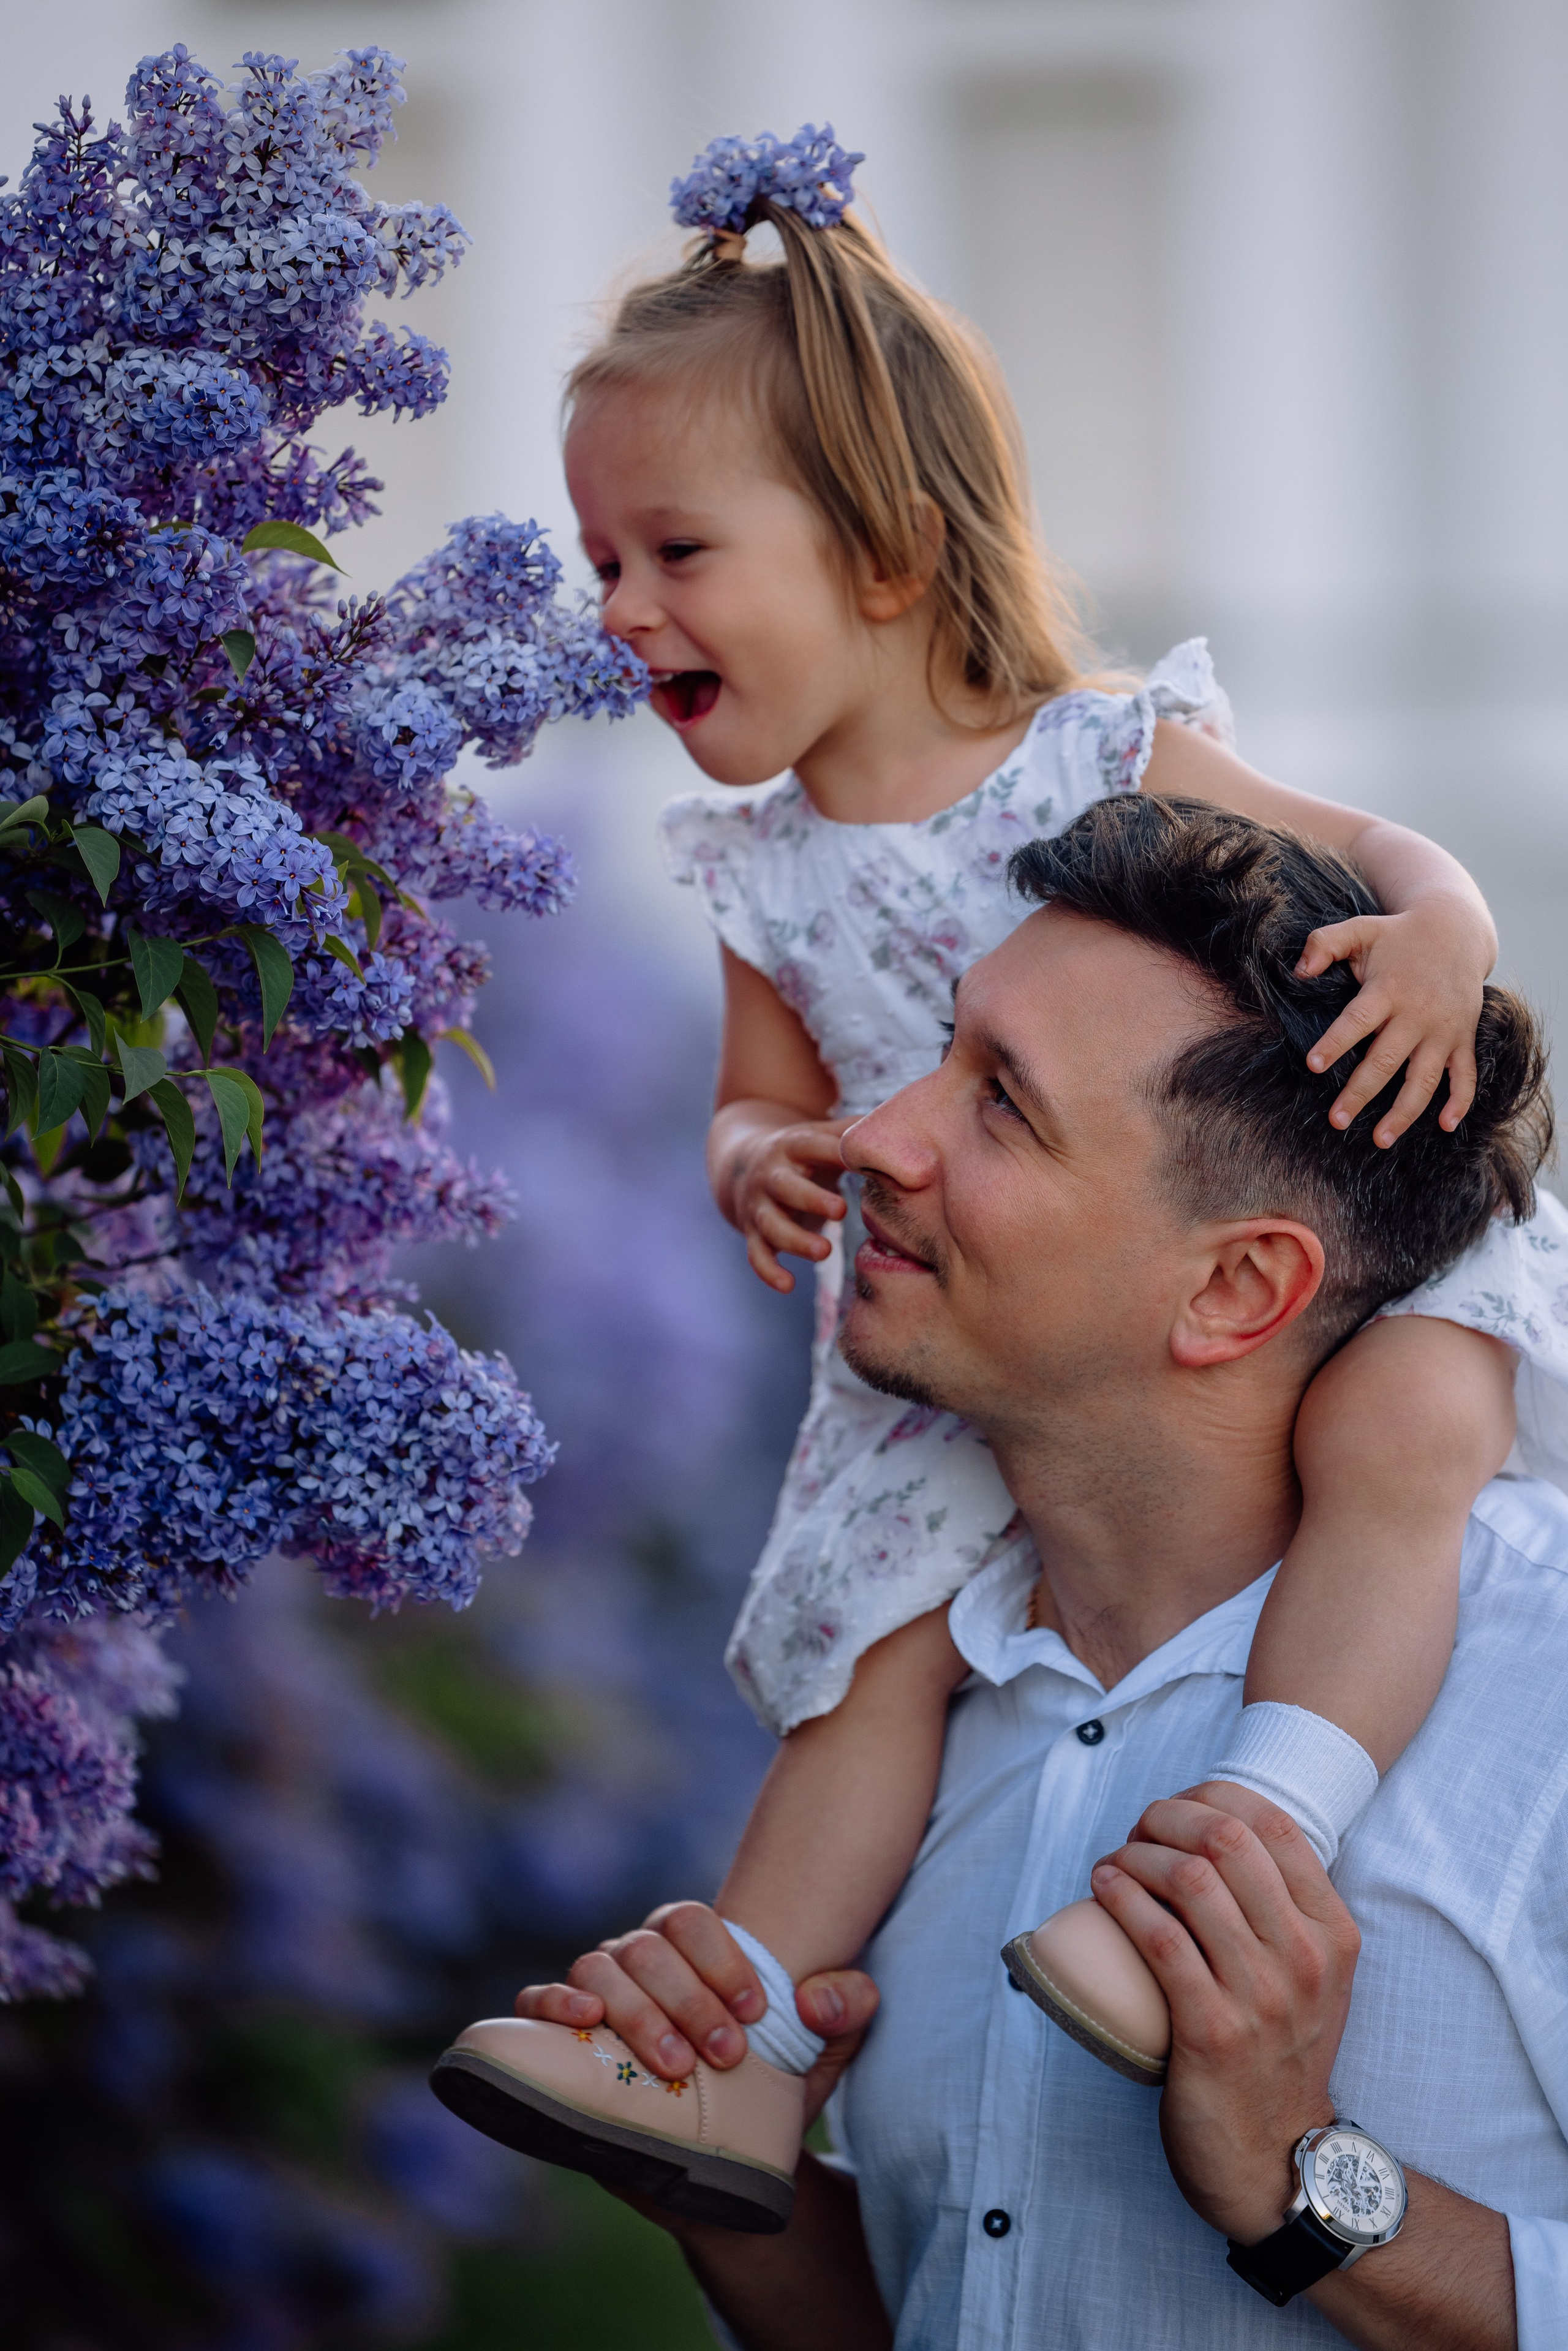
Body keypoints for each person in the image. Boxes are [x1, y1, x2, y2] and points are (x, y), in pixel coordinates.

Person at [431, 124, 1568, 2201]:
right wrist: (765, 1152)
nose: (619, 608)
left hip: (1337, 1224)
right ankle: (751, 2032)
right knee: (880, 1636)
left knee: (1407, 1433)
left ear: (882, 555)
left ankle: (1246, 1850)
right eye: (600, 563)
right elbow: (759, 1092)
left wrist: (1448, 931)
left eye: (674, 554)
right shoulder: (759, 863)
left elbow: (1382, 854)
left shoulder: (1095, 751)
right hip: (989, 1286)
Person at [499, 794, 1568, 2346]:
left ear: (1234, 1287)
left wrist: (1299, 2183)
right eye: (942, 1046)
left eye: (1000, 1102)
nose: (871, 1135)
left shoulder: (1540, 1694)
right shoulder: (903, 1717)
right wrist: (745, 2207)